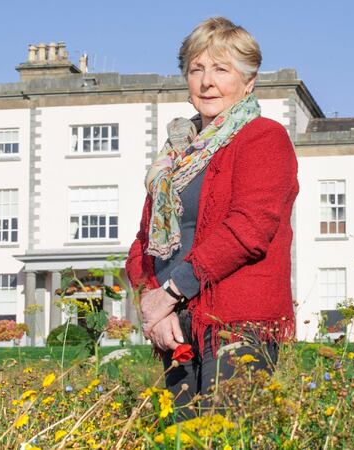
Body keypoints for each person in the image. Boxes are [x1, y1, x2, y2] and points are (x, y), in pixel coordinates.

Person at [125, 16, 298, 419]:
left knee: (229, 436)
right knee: (180, 438)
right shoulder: (174, 158)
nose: (207, 81)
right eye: (196, 69)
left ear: (248, 81)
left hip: (236, 322)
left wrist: (169, 294)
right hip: (176, 325)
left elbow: (248, 229)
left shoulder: (263, 138)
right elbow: (142, 243)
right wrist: (152, 305)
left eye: (222, 69)